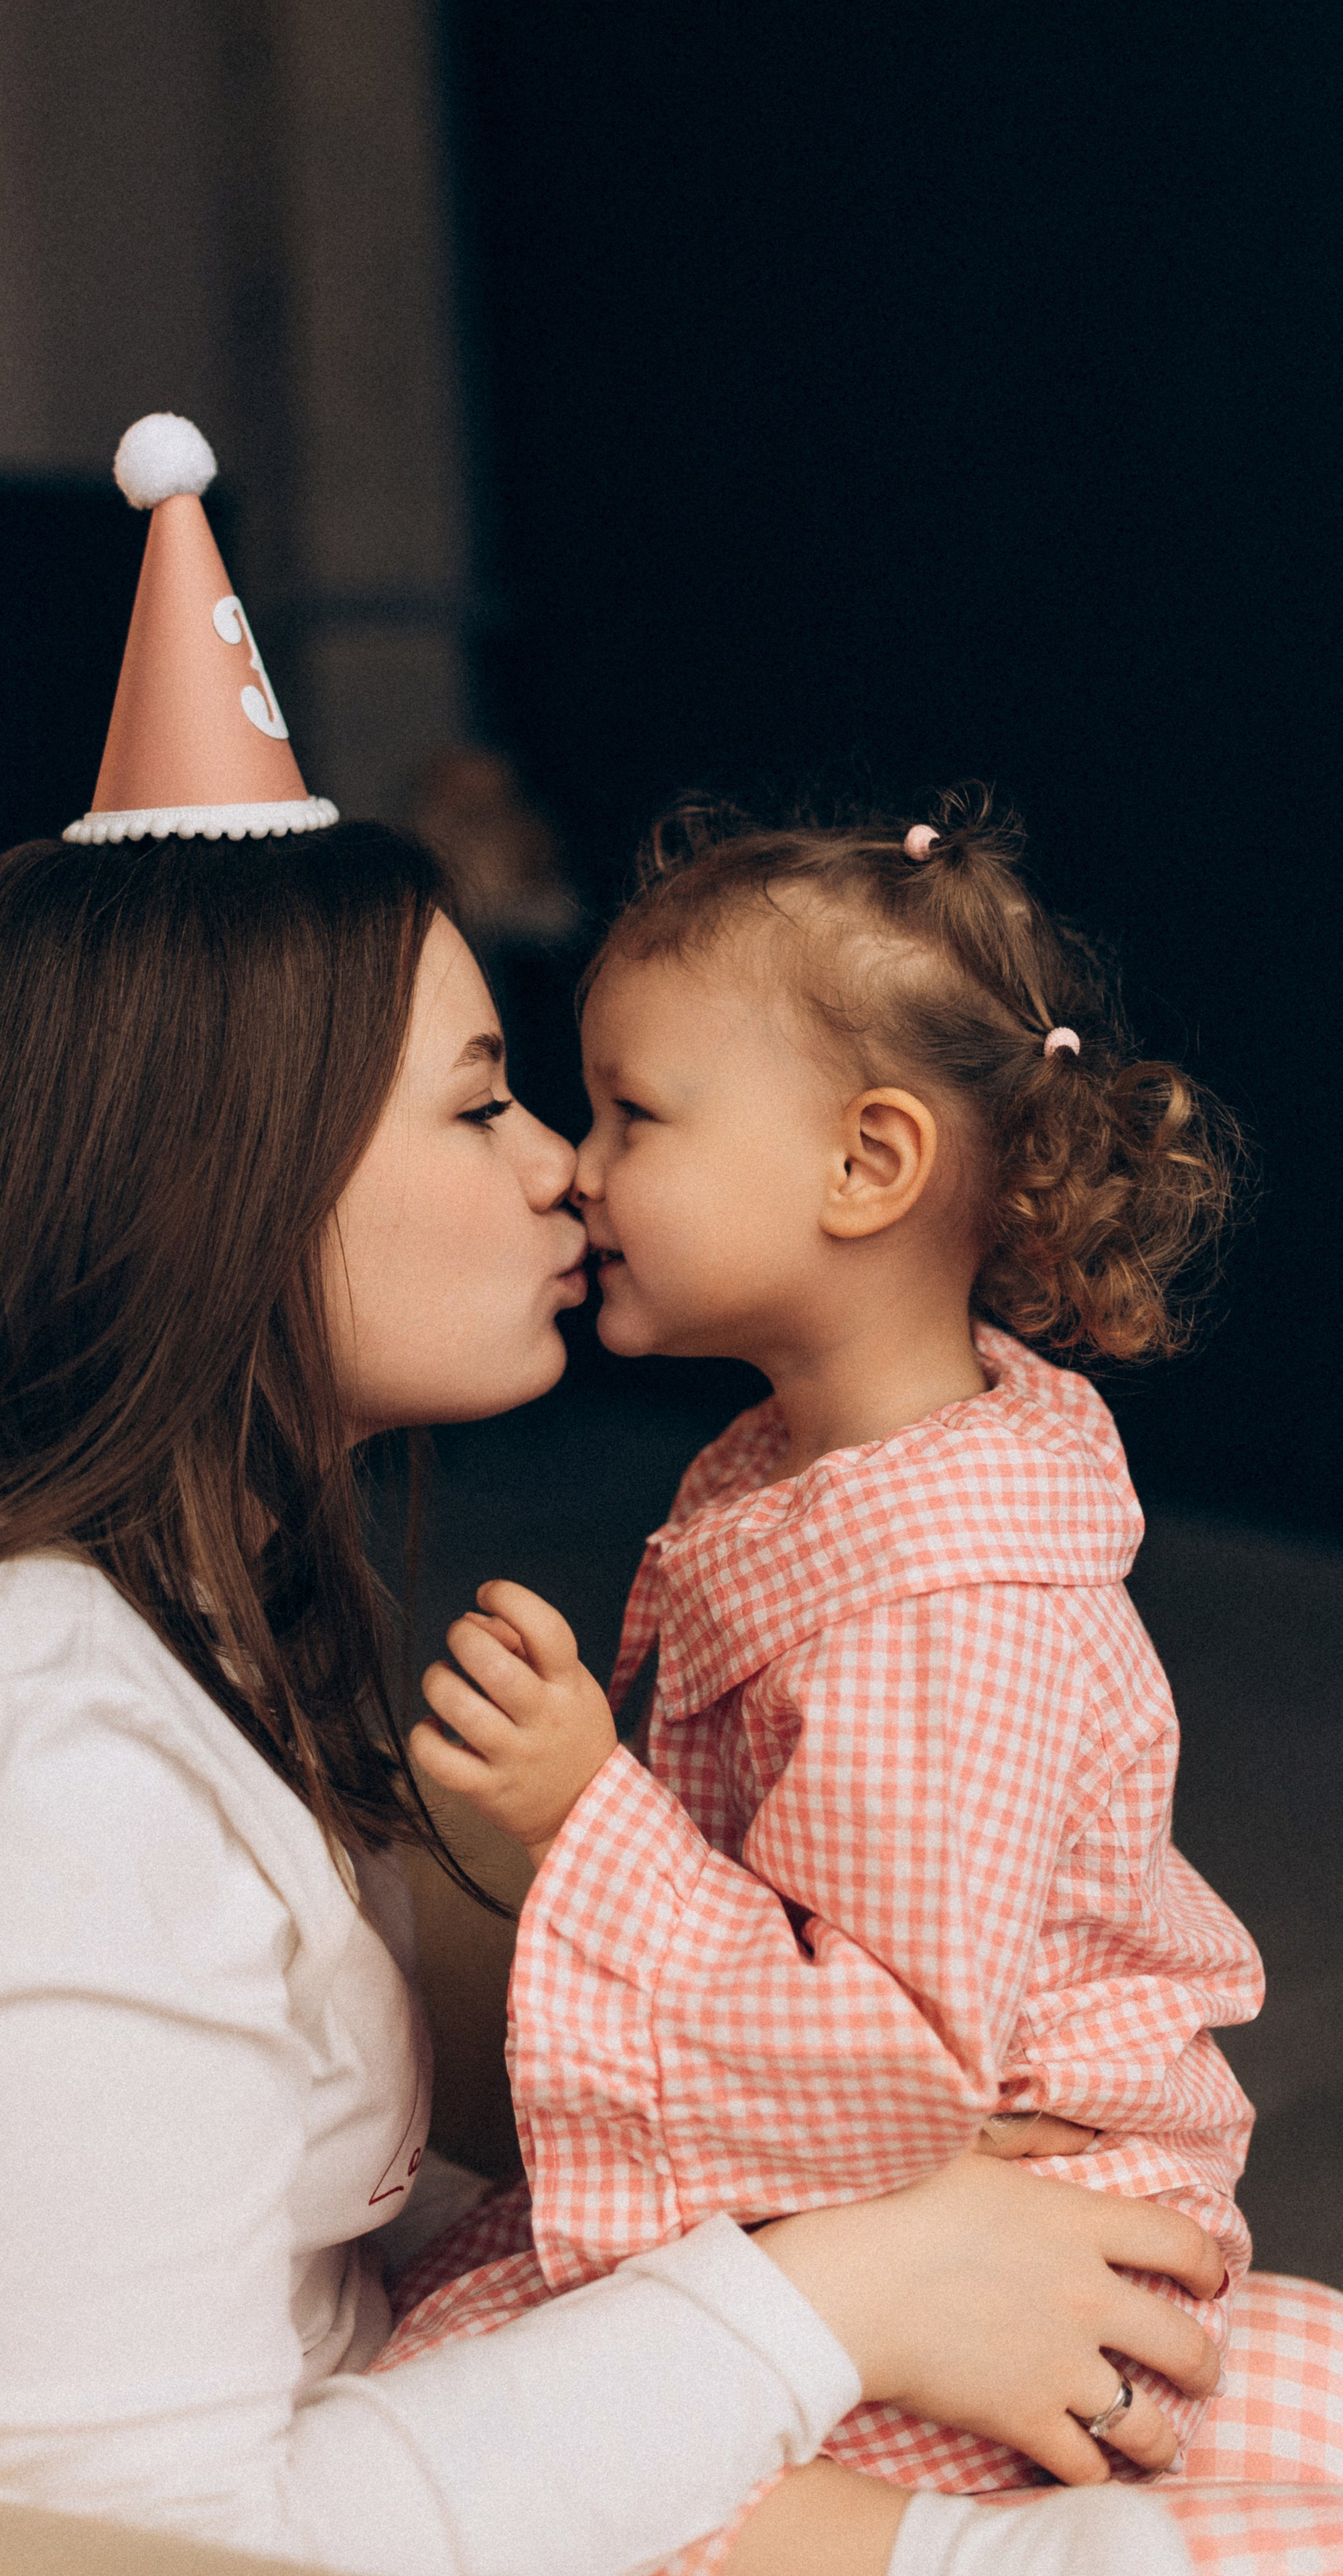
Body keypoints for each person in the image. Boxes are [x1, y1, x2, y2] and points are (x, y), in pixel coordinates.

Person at [0, 822, 1245, 2576]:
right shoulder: (24, 1773)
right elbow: (105, 2549)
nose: (567, 1172)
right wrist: (847, 2291)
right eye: (488, 1105)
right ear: (226, 1179)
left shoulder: (184, 1609)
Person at [387, 789, 1338, 2564]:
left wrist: (579, 1823)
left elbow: (895, 2073)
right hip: (889, 2163)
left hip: (992, 2218)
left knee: (497, 2447)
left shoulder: (940, 1613)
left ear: (867, 1167)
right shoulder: (813, 1472)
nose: (577, 1170)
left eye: (635, 1116)